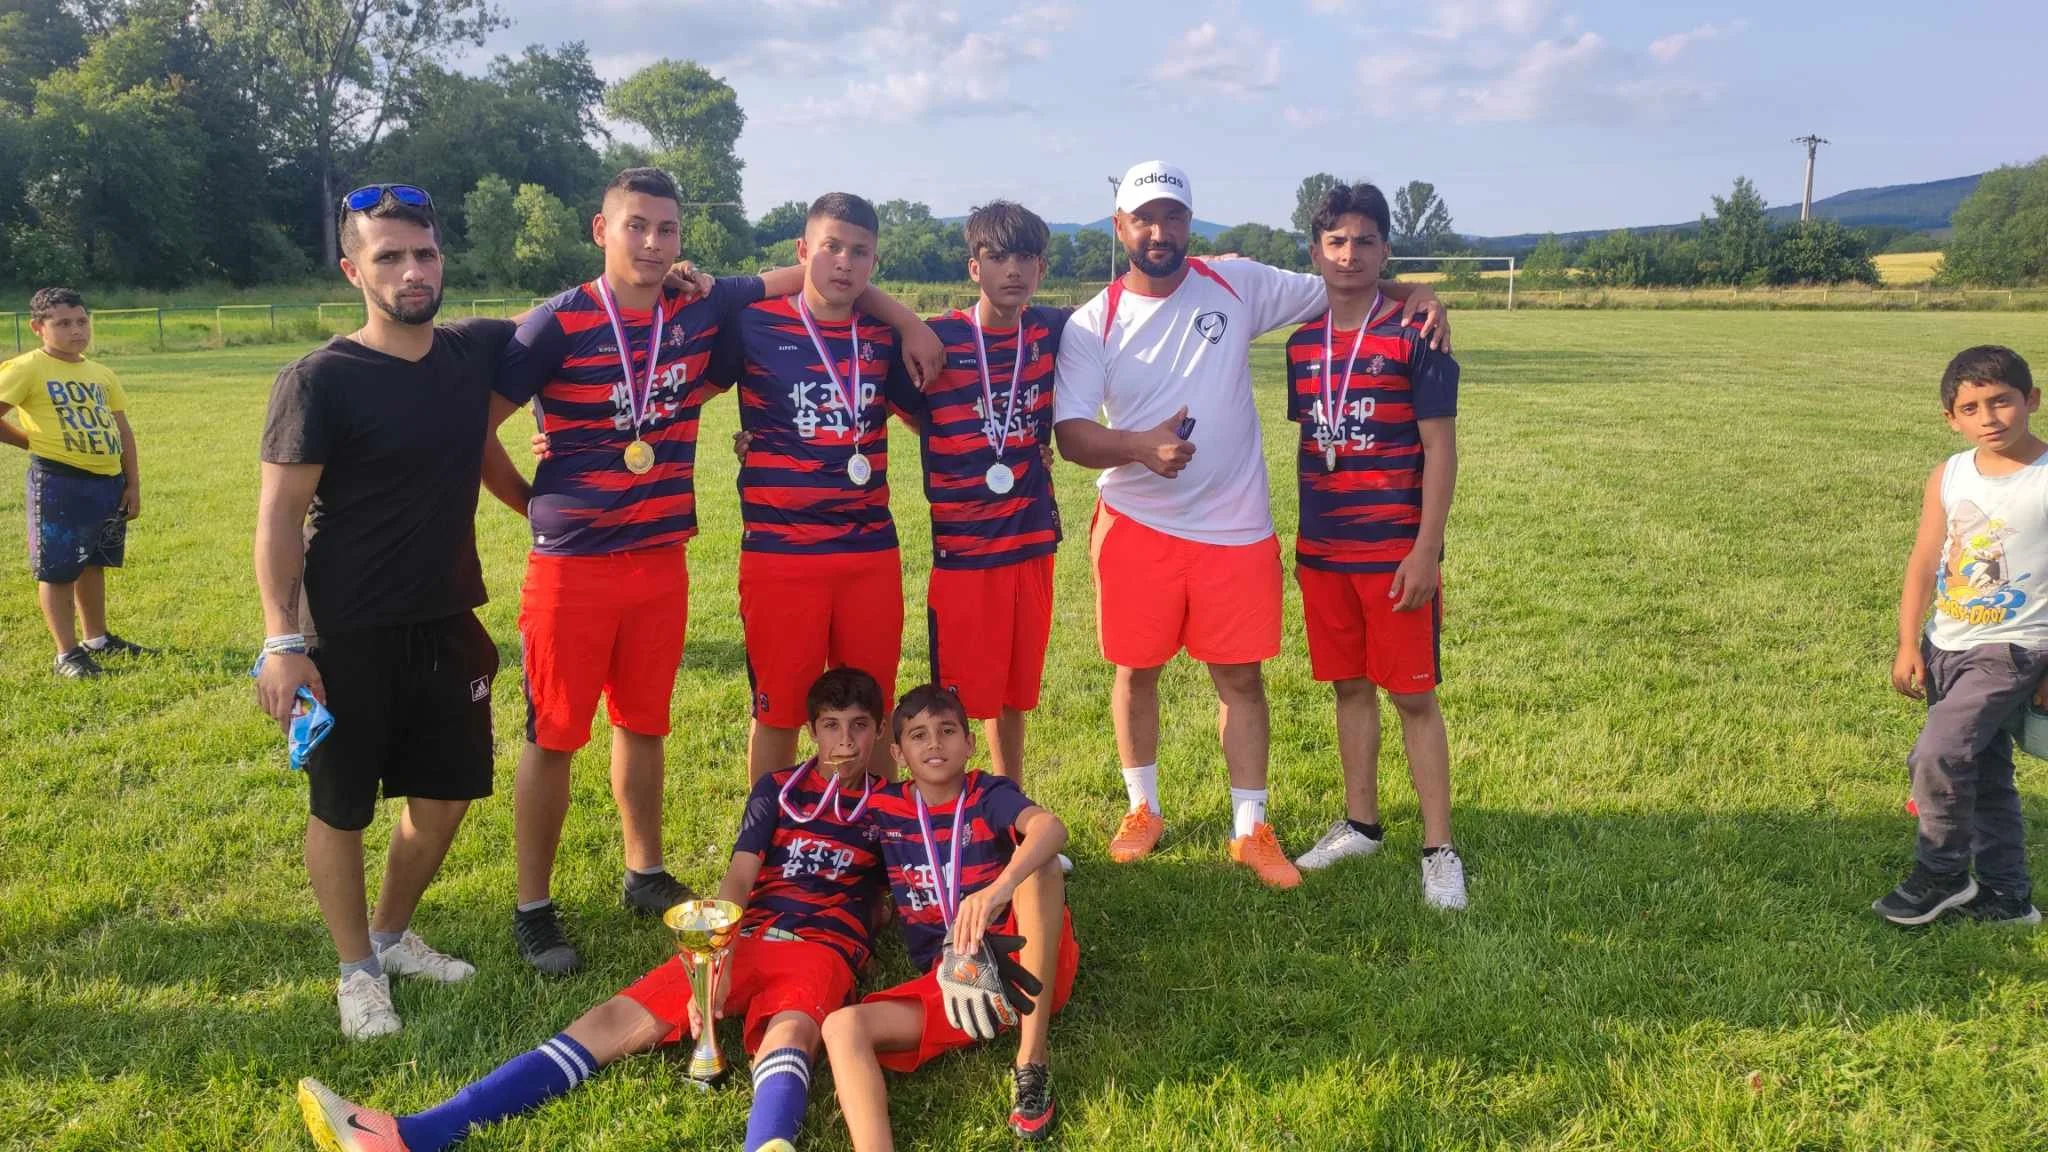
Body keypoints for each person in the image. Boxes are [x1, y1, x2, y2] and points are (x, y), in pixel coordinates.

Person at [482, 168, 938, 975]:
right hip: (575, 566)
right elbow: (476, 425)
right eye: (637, 227)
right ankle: (532, 907)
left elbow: (819, 272)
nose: (653, 244)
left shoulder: (700, 308)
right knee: (554, 734)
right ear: (602, 229)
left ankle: (645, 870)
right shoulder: (556, 322)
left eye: (667, 230)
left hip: (661, 555)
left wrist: (899, 312)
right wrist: (530, 500)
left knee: (645, 723)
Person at [296, 668, 893, 1152]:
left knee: (788, 1034)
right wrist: (718, 951)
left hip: (822, 949)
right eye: (832, 726)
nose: (845, 742)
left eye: (860, 727)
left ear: (879, 733)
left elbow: (915, 889)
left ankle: (767, 1143)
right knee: (610, 1020)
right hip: (752, 931)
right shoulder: (777, 790)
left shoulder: (894, 807)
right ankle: (413, 1133)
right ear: (811, 730)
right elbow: (739, 875)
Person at [1051, 160, 1444, 888]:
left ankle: (1249, 826)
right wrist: (1139, 446)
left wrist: (1417, 292)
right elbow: (1071, 435)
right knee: (1136, 670)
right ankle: (1144, 808)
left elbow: (1344, 279)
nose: (1159, 231)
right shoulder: (1090, 322)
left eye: (1172, 217)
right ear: (1121, 227)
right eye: (1144, 217)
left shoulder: (1240, 283)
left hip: (1234, 528)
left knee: (1240, 677)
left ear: (1189, 224)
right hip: (1137, 522)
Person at [254, 184, 515, 1039]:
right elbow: (280, 520)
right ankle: (356, 970)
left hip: (445, 621)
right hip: (346, 631)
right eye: (390, 256)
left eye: (426, 253)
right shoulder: (319, 380)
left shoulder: (473, 351)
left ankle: (392, 935)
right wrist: (283, 641)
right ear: (352, 269)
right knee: (341, 807)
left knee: (444, 799)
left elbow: (592, 309)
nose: (413, 271)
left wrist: (686, 277)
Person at [1281, 183, 1466, 909]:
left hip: (1395, 555)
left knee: (1413, 698)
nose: (1349, 254)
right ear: (1316, 251)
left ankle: (1439, 847)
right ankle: (1361, 823)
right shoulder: (1301, 344)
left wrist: (1427, 548)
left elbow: (1440, 451)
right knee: (1349, 687)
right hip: (1324, 552)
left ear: (1385, 250)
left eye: (1363, 241)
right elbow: (1318, 434)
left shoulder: (1419, 333)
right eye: (1335, 241)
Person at [712, 193, 923, 783]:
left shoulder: (883, 336)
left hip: (868, 553)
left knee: (870, 711)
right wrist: (561, 434)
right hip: (781, 554)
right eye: (831, 246)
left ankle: (871, 833)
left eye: (859, 252)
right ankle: (770, 843)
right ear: (803, 250)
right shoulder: (751, 323)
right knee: (779, 711)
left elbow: (937, 416)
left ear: (873, 264)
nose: (843, 263)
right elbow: (676, 396)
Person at [822, 684, 1077, 1147]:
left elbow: (1050, 828)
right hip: (953, 983)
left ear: (969, 743)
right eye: (918, 735)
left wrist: (997, 891)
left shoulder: (987, 793)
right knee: (841, 1027)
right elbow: (845, 868)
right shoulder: (885, 811)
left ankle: (1031, 1061)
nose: (934, 744)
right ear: (897, 752)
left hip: (1025, 970)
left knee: (1038, 867)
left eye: (946, 731)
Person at [884, 200, 1066, 787]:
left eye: (1025, 257)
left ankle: (1009, 808)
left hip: (1032, 543)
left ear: (1041, 268)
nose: (1012, 269)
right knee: (954, 704)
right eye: (997, 256)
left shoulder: (1054, 331)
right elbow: (911, 411)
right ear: (973, 268)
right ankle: (950, 813)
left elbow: (1133, 303)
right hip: (964, 553)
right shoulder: (934, 339)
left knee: (1015, 697)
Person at [1879, 345, 2047, 927]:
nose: (1989, 417)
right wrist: (1908, 642)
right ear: (1952, 418)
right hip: (1945, 644)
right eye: (1971, 407)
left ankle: (1943, 873)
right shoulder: (1950, 473)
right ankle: (2007, 899)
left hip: (2015, 648)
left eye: (2002, 401)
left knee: (1939, 752)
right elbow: (1925, 558)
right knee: (1984, 769)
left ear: (2032, 399)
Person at [0, 287, 150, 678]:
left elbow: (123, 430)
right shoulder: (27, 368)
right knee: (58, 568)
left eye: (81, 321)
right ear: (38, 327)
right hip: (59, 481)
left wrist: (131, 483)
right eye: (63, 323)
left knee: (92, 562)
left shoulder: (101, 373)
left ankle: (97, 638)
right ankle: (67, 653)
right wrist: (30, 441)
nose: (76, 330)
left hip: (106, 481)